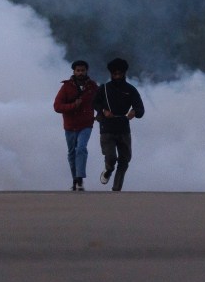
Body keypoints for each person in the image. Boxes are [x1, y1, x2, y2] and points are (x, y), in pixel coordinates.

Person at [93, 58, 144, 192]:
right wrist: (103, 111)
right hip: (107, 128)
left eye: (119, 74)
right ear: (111, 74)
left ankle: (117, 188)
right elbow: (94, 103)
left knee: (125, 159)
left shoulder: (131, 90)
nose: (117, 77)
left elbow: (140, 109)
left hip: (123, 128)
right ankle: (108, 170)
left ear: (124, 74)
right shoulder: (103, 88)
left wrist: (134, 111)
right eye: (114, 74)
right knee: (111, 157)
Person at [53, 60, 99, 191]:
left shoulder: (92, 86)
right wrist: (73, 106)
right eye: (78, 70)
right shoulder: (66, 87)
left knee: (81, 148)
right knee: (72, 153)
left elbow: (100, 101)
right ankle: (75, 179)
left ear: (86, 71)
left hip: (86, 124)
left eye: (82, 70)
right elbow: (57, 106)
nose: (80, 73)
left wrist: (101, 113)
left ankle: (80, 178)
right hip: (70, 125)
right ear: (73, 71)